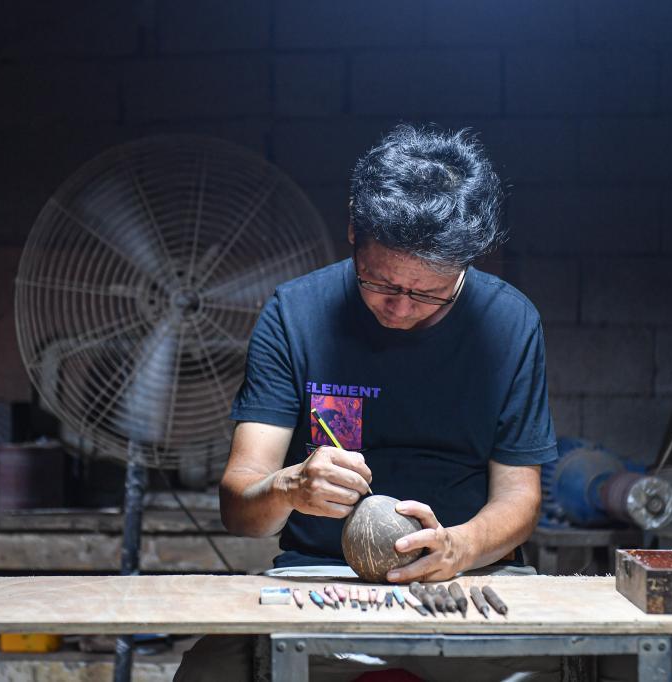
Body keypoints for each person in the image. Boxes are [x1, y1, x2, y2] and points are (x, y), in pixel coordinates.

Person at [174, 124, 560, 682]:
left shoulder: (509, 322)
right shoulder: (295, 314)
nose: (400, 308)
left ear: (467, 263)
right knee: (210, 674)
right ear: (353, 229)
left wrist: (462, 546)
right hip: (322, 578)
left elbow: (520, 497)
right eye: (380, 283)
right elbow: (240, 509)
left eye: (427, 293)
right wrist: (289, 486)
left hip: (468, 578)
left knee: (607, 665)